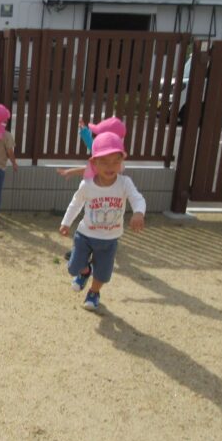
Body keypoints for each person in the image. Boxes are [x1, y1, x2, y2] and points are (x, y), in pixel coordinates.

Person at [59, 132, 146, 310]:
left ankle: (93, 293)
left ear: (121, 162)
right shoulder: (87, 185)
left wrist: (139, 212)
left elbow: (137, 198)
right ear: (94, 163)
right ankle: (84, 271)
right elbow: (75, 204)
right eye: (104, 161)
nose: (110, 166)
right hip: (85, 235)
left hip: (109, 239)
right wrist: (66, 222)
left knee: (103, 273)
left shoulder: (124, 183)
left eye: (115, 161)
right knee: (73, 268)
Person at [57, 116, 126, 181]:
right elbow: (92, 145)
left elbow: (92, 168)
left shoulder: (105, 159)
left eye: (96, 135)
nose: (96, 138)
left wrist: (70, 172)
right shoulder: (117, 159)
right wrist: (84, 131)